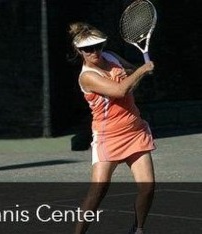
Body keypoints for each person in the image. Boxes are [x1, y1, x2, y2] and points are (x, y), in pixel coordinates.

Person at [68, 22, 156, 234]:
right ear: (79, 51)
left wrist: (138, 73)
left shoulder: (112, 57)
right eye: (88, 49)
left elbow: (131, 76)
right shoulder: (87, 76)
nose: (94, 51)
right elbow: (119, 90)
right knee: (98, 191)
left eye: (98, 46)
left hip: (135, 131)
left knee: (148, 187)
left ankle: (138, 229)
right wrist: (142, 71)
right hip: (108, 137)